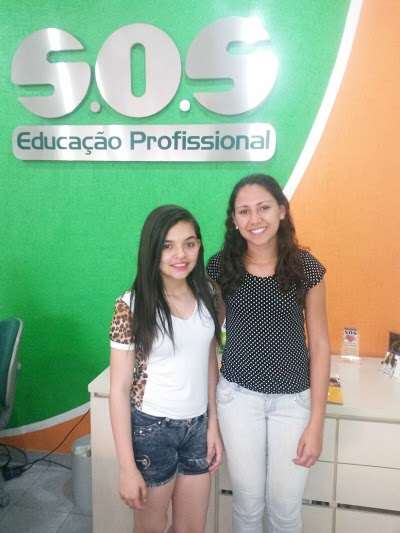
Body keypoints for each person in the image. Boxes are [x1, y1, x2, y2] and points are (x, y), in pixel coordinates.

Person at [207, 174, 330, 533]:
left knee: (285, 510)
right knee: (247, 506)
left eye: (263, 208)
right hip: (237, 399)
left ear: (281, 211)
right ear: (233, 219)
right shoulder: (220, 268)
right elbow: (209, 338)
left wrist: (317, 422)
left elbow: (320, 345)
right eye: (244, 211)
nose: (254, 219)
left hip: (293, 402)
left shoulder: (306, 268)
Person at [109, 205, 223, 533]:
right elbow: (118, 390)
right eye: (168, 246)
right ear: (152, 249)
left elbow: (208, 361)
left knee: (192, 528)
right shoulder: (131, 305)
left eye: (190, 243)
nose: (180, 255)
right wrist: (126, 467)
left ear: (199, 246)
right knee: (151, 528)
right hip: (152, 429)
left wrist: (213, 425)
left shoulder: (209, 294)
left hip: (197, 427)